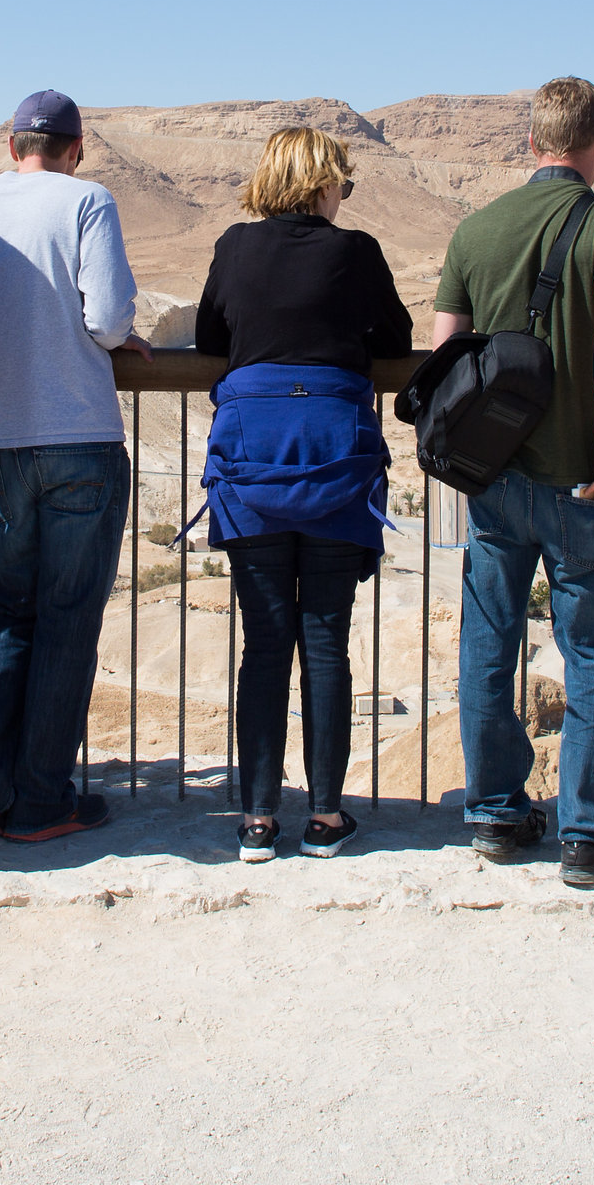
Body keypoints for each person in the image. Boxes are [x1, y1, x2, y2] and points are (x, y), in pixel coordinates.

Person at [430, 78, 594, 888]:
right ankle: (590, 834)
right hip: (580, 478)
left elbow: (445, 347)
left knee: (488, 642)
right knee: (592, 649)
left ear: (533, 144)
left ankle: (494, 812)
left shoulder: (477, 227)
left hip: (493, 479)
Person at [192, 124, 410, 861]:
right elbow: (397, 338)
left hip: (252, 464)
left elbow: (205, 340)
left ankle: (256, 818)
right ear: (321, 182)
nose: (343, 196)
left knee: (264, 645)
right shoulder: (356, 254)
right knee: (326, 641)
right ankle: (324, 815)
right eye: (342, 183)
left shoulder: (232, 246)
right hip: (334, 463)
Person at [0, 90, 144, 846]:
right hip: (79, 435)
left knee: (11, 613)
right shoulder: (88, 200)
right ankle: (41, 798)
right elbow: (108, 318)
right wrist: (126, 341)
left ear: (10, 144)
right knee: (67, 621)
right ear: (76, 147)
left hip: (1, 438)